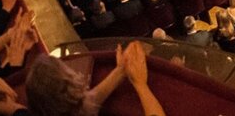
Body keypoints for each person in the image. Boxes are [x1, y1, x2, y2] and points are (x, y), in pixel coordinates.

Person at [27, 42, 166, 116]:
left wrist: (120, 70)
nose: (75, 73)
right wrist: (140, 84)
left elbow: (86, 103)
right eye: (67, 70)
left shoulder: (55, 110)